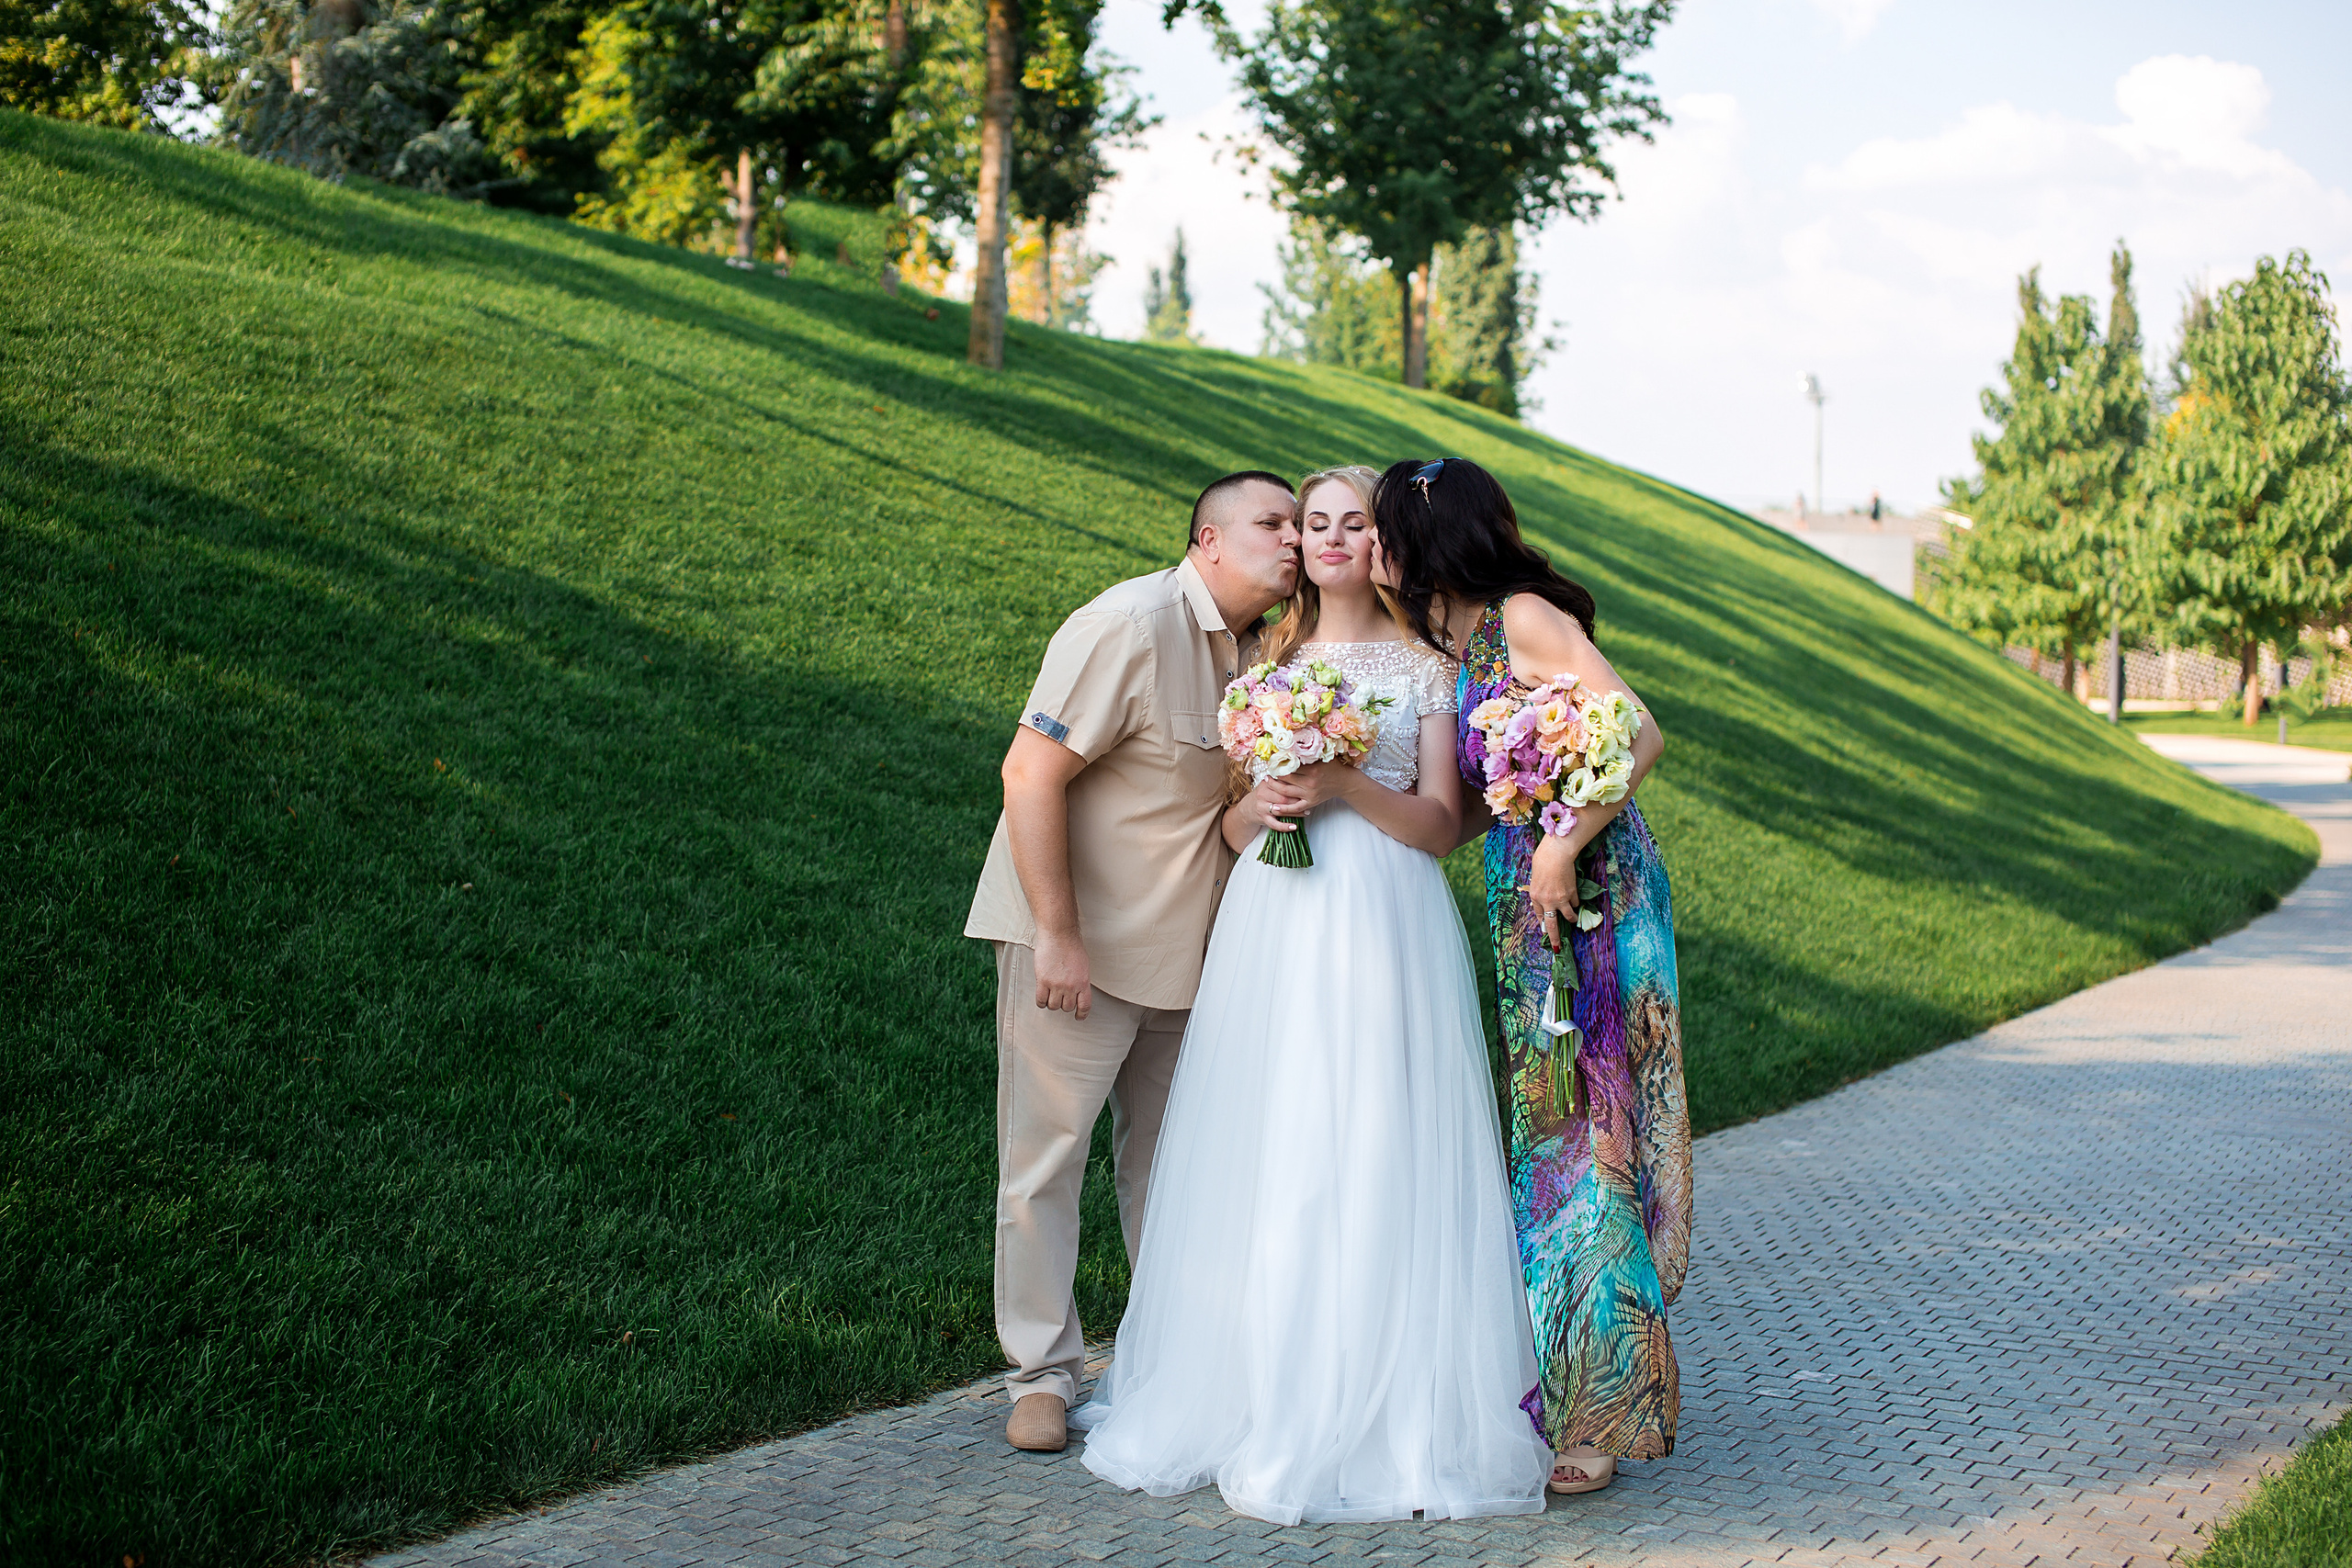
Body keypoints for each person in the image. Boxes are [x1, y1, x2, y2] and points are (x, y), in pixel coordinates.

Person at [1071, 466, 1552, 1524]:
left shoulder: (1428, 669)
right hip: (1276, 925)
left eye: (1354, 522)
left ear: (1384, 544)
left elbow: (1437, 825)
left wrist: (1341, 783)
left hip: (1385, 917)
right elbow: (1233, 827)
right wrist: (1273, 806)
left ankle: (1385, 1409)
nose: (1332, 537)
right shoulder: (1265, 663)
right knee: (1274, 1136)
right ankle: (1252, 1390)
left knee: (1379, 1133)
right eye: (1317, 521)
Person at [1372, 457, 1691, 1495]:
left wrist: (1559, 845)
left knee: (1588, 1136)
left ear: (1428, 537)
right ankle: (1574, 1380)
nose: (1372, 551)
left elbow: (1637, 731)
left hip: (1596, 895)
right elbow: (1464, 812)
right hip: (1524, 909)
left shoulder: (1521, 617)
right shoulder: (1458, 645)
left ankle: (1600, 1416)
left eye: (1382, 532)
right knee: (1549, 1135)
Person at [965, 470, 1302, 1454]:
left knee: (1173, 1167)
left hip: (1188, 953)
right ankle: (1040, 1374)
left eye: (1298, 524)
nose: (1290, 540)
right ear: (1206, 541)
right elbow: (1029, 771)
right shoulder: (1128, 624)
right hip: (1077, 948)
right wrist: (1056, 932)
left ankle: (1173, 1363)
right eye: (1269, 523)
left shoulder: (1268, 655)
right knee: (1044, 1165)